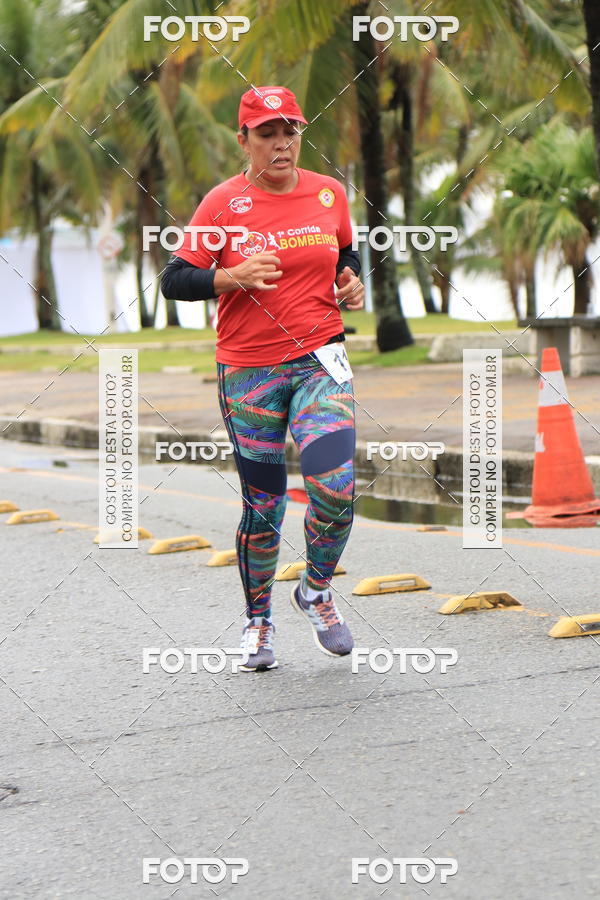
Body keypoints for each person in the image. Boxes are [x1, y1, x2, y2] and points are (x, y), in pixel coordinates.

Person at [161, 85, 365, 671]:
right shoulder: (222, 203)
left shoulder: (329, 193)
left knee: (336, 486)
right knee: (265, 503)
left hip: (319, 358)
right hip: (249, 371)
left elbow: (346, 254)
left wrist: (351, 281)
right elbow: (175, 280)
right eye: (268, 133)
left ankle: (317, 590)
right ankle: (258, 623)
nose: (281, 143)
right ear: (244, 139)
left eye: (290, 131)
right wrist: (233, 277)